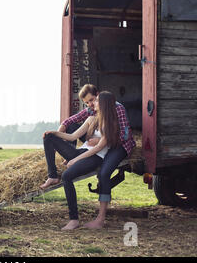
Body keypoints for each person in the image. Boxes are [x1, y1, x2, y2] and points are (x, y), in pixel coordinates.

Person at [41, 91, 131, 230]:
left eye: (95, 101)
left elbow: (99, 148)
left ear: (103, 104)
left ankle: (74, 220)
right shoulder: (91, 119)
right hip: (81, 152)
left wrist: (74, 160)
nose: (92, 104)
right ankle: (52, 176)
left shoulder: (109, 124)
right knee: (48, 138)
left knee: (67, 176)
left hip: (94, 157)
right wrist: (54, 133)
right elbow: (72, 137)